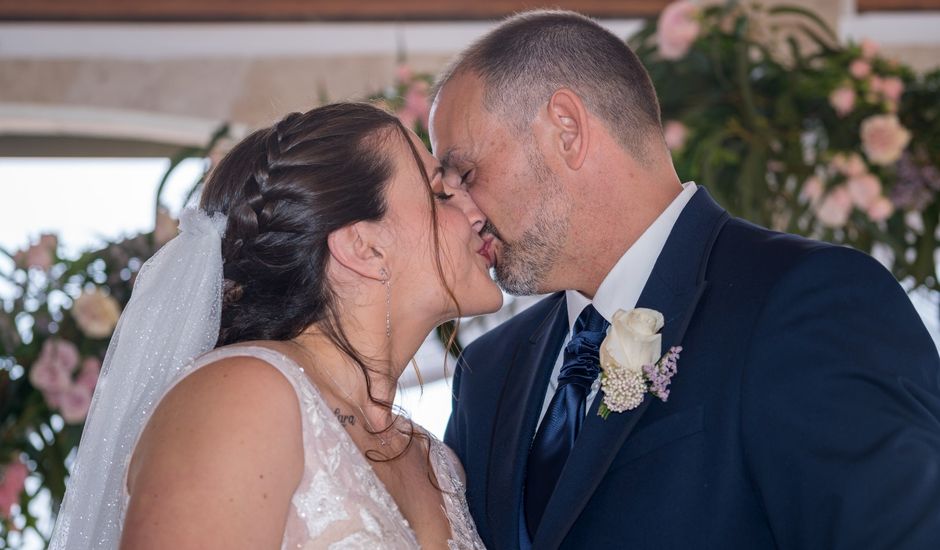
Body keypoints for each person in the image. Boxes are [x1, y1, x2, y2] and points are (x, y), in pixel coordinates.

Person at [430, 10, 940, 550]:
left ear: (567, 128)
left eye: (466, 174)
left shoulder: (809, 302)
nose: (463, 213)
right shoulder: (489, 372)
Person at [49, 102, 498, 549]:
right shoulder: (242, 398)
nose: (476, 214)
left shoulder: (438, 463)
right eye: (440, 195)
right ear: (364, 247)